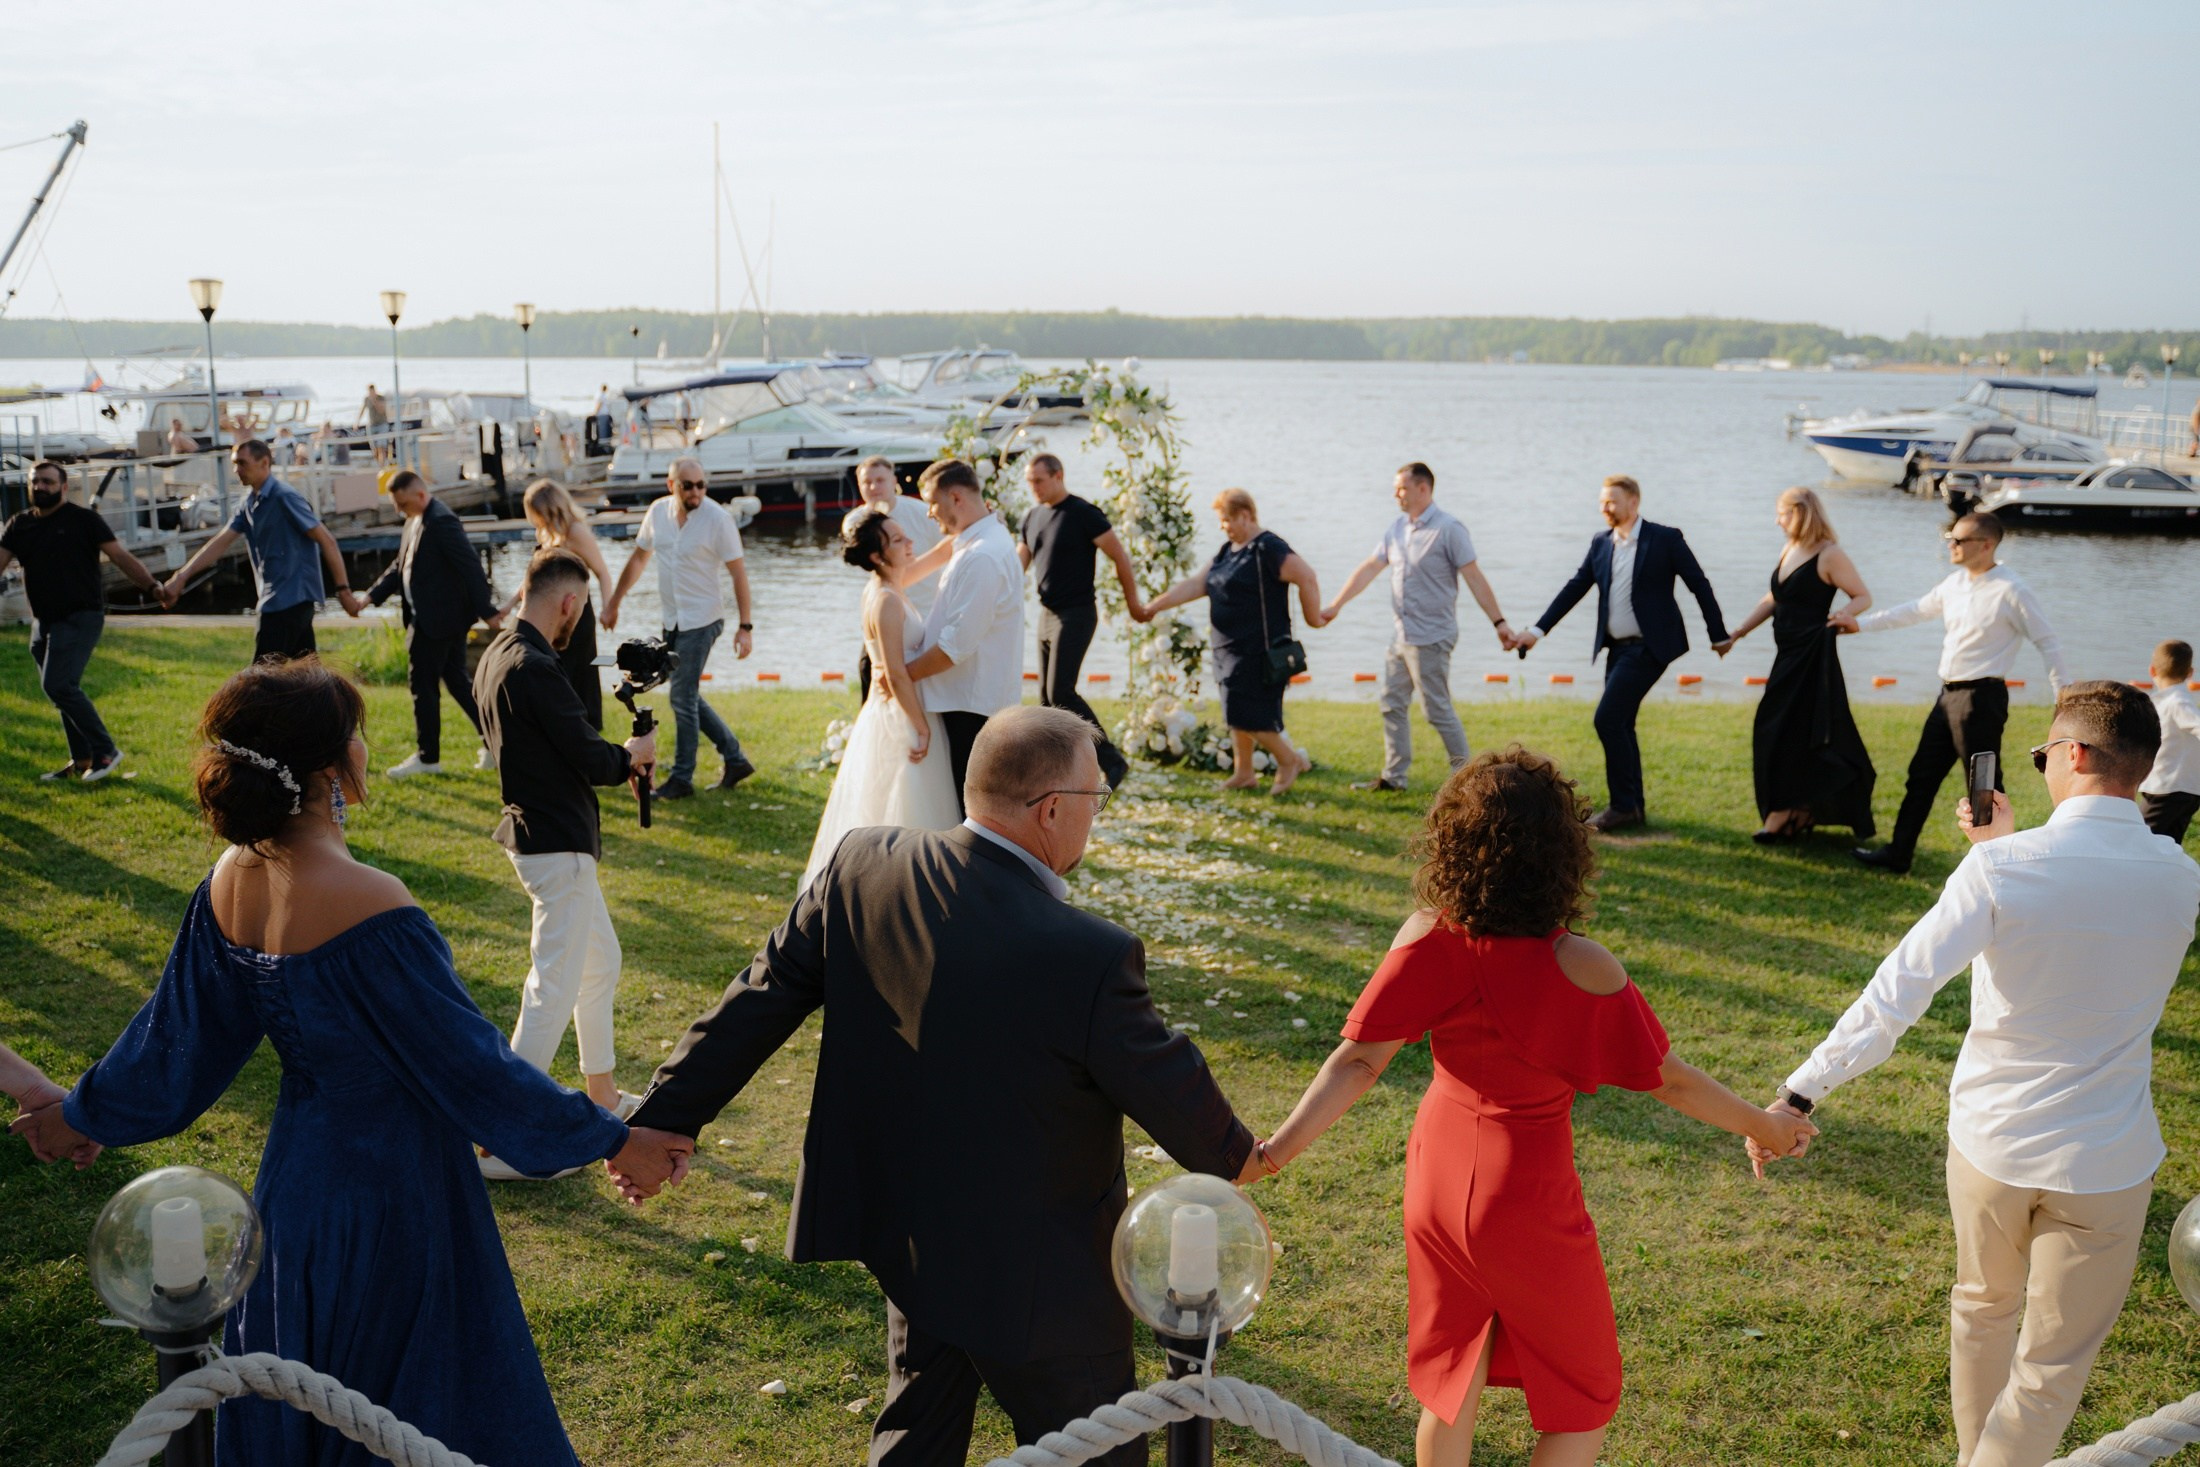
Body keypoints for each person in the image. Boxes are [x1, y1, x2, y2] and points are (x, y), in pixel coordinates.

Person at [7, 658, 693, 1467]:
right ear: (330, 767)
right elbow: (474, 1070)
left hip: (295, 1187)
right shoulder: (370, 901)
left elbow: (173, 1047)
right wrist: (615, 1136)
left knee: (314, 1387)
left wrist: (78, 1113)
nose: (367, 748)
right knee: (416, 1408)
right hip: (396, 1195)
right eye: (358, 735)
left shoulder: (231, 879)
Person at [620, 707, 1262, 1467]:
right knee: (1098, 1452)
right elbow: (1192, 1118)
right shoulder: (1089, 954)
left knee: (917, 1432)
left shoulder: (861, 866)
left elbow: (758, 997)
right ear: (1052, 809)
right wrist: (1246, 1152)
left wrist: (659, 1120)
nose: (1096, 817)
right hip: (1046, 1284)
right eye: (1096, 799)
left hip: (913, 1240)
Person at [1256, 749, 1816, 1467]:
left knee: (1452, 1377)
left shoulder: (1428, 933)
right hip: (1524, 1191)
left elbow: (1360, 1060)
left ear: (1452, 844)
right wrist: (1769, 1125)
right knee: (1584, 1398)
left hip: (1437, 1174)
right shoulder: (1583, 963)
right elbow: (1668, 1080)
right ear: (1563, 853)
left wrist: (1274, 1151)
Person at [1754, 681, 2199, 1467]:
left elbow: (1899, 989)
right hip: (2109, 1157)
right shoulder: (2179, 877)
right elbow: (2088, 911)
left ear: (2073, 754)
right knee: (2052, 1365)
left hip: (1992, 1145)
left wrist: (1801, 1088)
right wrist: (1998, 851)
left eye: (2042, 756)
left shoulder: (2001, 870)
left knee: (1982, 1308)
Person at [473, 549, 661, 1177]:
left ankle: (602, 1094)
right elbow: (588, 755)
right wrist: (631, 754)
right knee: (551, 985)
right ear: (570, 603)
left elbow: (550, 746)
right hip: (555, 844)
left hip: (540, 836)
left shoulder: (496, 655)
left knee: (599, 962)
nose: (574, 626)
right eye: (576, 614)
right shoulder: (534, 666)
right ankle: (503, 1139)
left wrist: (619, 756)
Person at [1840, 510, 2069, 875]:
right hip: (1946, 697)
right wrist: (1858, 625)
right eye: (1950, 538)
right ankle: (1898, 855)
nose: (1951, 545)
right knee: (1921, 776)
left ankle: (1997, 867)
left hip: (1982, 699)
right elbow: (1912, 611)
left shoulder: (2011, 590)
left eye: (1958, 540)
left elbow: (2048, 642)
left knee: (1984, 786)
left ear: (1986, 545)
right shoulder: (1954, 584)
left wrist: (2064, 700)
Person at [1514, 475, 1728, 832]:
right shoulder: (1602, 543)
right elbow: (1575, 587)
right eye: (1602, 502)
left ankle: (1623, 806)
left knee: (1608, 719)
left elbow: (1698, 584)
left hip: (1650, 646)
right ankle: (1634, 807)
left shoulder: (1665, 538)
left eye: (1611, 501)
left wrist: (1718, 634)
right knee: (1621, 723)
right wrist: (1537, 631)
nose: (1605, 508)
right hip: (1617, 648)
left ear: (1633, 502)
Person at [1320, 462, 1511, 792]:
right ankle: (1394, 778)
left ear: (1423, 489)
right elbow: (1369, 568)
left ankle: (1468, 783)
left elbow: (1475, 578)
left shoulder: (1449, 529)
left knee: (1437, 710)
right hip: (1401, 635)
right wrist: (1336, 605)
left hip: (1433, 636)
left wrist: (1499, 623)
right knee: (1391, 704)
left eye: (1402, 488)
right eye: (1396, 489)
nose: (1396, 494)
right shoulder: (1396, 529)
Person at [799, 509, 960, 892]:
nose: (909, 545)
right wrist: (920, 727)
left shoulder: (888, 586)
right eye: (899, 540)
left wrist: (958, 537)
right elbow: (891, 672)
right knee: (902, 806)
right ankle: (897, 888)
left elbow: (928, 561)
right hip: (900, 715)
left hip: (893, 708)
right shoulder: (886, 600)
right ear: (877, 556)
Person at [1714, 487, 1877, 843]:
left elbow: (1862, 595)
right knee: (1779, 730)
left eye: (1782, 514)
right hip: (1786, 654)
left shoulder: (1829, 554)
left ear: (1801, 512)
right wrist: (1737, 633)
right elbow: (1775, 597)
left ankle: (1783, 814)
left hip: (1813, 655)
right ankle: (1797, 810)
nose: (1777, 521)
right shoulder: (1790, 548)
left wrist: (1844, 614)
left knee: (1792, 731)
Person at [1139, 488, 1325, 794]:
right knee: (1234, 713)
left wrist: (1313, 618)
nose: (1222, 526)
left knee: (1248, 715)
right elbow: (1197, 584)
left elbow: (1307, 576)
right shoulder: (1228, 551)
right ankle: (1244, 772)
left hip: (1259, 650)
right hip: (1227, 647)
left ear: (1246, 515)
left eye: (1226, 519)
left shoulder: (1268, 547)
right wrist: (1155, 606)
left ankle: (1288, 759)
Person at [0, 459, 163, 782]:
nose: (40, 487)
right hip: (42, 621)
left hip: (80, 616)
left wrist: (153, 586)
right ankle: (82, 759)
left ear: (63, 487)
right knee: (61, 691)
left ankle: (106, 752)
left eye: (47, 482)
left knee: (59, 684)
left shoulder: (84, 520)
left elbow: (120, 556)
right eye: (35, 482)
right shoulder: (20, 524)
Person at [603, 457, 755, 799]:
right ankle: (735, 758)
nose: (696, 492)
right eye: (688, 485)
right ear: (672, 486)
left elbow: (738, 574)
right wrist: (614, 602)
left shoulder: (718, 520)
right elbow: (639, 559)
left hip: (703, 620)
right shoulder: (658, 513)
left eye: (702, 485)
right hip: (672, 619)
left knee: (681, 697)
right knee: (687, 695)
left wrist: (745, 627)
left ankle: (682, 779)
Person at [163, 439, 363, 662]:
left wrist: (343, 590)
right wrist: (181, 577)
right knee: (307, 678)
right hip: (280, 600)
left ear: (264, 463)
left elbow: (327, 540)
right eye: (234, 463)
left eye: (242, 463)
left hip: (288, 602)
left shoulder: (284, 497)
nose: (236, 470)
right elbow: (220, 543)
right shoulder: (249, 502)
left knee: (261, 680)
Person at [905, 458, 1026, 807]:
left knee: (968, 810)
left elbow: (954, 648)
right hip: (964, 700)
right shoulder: (978, 539)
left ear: (956, 498)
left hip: (969, 707)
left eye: (932, 502)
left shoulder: (982, 557)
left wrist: (902, 676)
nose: (929, 513)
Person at [366, 470, 500, 777]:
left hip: (437, 620)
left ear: (421, 495)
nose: (399, 511)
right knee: (457, 682)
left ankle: (428, 758)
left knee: (423, 686)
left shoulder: (441, 521)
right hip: (433, 618)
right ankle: (492, 743)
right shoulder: (415, 520)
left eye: (402, 504)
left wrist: (488, 611)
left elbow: (470, 567)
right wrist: (371, 597)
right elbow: (401, 566)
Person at [1016, 453, 1139, 787]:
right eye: (1030, 481)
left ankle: (1111, 760)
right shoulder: (1032, 516)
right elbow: (1016, 568)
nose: (1034, 488)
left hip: (1078, 613)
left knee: (1061, 692)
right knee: (1046, 697)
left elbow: (1119, 557)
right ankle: (1058, 768)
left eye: (1039, 480)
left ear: (1059, 475)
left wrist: (1134, 605)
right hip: (1048, 613)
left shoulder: (1084, 513)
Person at [499, 478, 613, 730]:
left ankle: (585, 727)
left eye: (535, 513)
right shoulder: (547, 533)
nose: (533, 519)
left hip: (575, 614)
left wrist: (609, 608)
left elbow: (603, 572)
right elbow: (533, 579)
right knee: (552, 672)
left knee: (578, 674)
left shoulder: (575, 532)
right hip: (549, 616)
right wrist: (508, 606)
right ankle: (557, 727)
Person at [843, 454, 939, 700]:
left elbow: (948, 550)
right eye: (867, 482)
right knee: (873, 673)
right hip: (884, 611)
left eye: (880, 480)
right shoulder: (856, 522)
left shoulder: (921, 513)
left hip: (924, 613)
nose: (874, 487)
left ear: (893, 480)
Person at [2141, 639, 2200, 843]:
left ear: (2152, 670)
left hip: (2169, 788)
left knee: (2139, 838)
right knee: (2168, 844)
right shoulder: (2166, 701)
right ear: (2190, 672)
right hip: (2180, 788)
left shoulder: (2177, 703)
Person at [363, 383, 391, 464]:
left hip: (382, 424)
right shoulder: (366, 399)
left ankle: (382, 465)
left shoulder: (381, 398)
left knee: (381, 446)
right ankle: (378, 464)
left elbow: (382, 411)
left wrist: (375, 401)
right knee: (374, 448)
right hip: (372, 425)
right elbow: (363, 409)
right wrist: (357, 422)